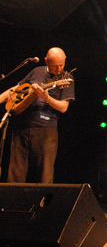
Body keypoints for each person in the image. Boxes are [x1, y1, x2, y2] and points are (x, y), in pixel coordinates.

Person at [0, 47, 75, 183]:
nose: (59, 69)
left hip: (46, 130)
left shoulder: (66, 78)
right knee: (16, 171)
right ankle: (13, 203)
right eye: (55, 66)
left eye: (61, 65)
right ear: (46, 61)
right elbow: (16, 89)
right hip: (22, 127)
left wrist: (47, 98)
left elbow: (64, 107)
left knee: (44, 174)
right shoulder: (36, 71)